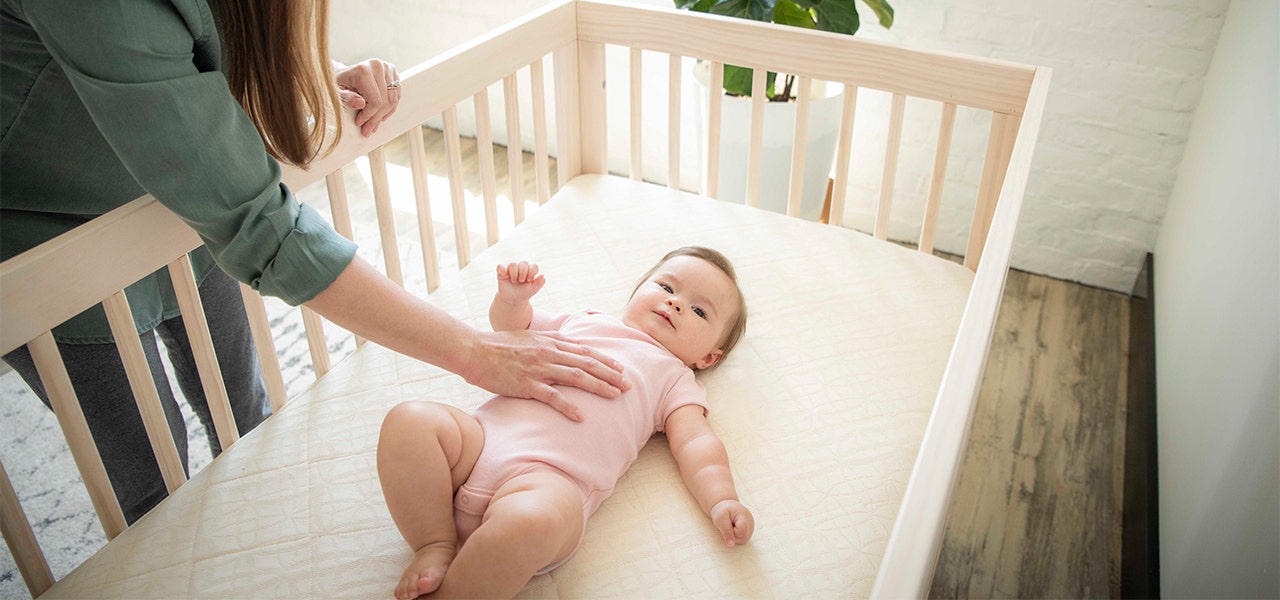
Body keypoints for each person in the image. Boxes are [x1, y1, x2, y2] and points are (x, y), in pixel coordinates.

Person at [0, 0, 626, 525]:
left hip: (182, 208)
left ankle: (262, 520)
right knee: (148, 465)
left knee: (244, 400)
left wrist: (320, 73)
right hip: (47, 231)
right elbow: (263, 229)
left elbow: (211, 44)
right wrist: (474, 351)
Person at [377, 246, 756, 599]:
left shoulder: (673, 378)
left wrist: (722, 500)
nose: (675, 303)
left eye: (699, 311)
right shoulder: (585, 321)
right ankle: (435, 543)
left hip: (546, 483)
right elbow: (513, 331)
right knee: (410, 421)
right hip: (476, 444)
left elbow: (696, 445)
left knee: (532, 522)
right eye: (666, 286)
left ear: (708, 358)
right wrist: (512, 301)